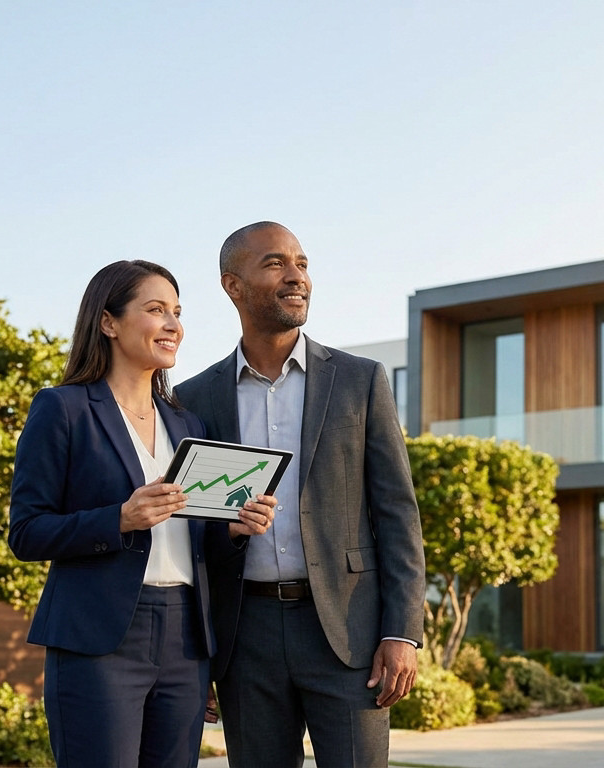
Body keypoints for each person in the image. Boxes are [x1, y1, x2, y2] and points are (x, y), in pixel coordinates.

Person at [175, 222, 426, 768]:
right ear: (232, 285)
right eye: (274, 264)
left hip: (348, 632)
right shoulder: (193, 398)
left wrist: (402, 632)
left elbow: (397, 513)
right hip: (245, 639)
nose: (296, 277)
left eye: (302, 263)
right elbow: (190, 532)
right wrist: (201, 654)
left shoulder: (361, 380)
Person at [7, 259, 276, 768]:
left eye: (177, 312)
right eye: (156, 310)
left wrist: (235, 530)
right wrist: (119, 518)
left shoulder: (186, 421)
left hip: (184, 640)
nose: (173, 324)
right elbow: (26, 532)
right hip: (99, 638)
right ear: (108, 322)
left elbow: (194, 543)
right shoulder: (62, 408)